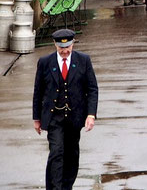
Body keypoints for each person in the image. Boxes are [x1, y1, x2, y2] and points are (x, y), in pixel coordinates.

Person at [33, 29, 98, 190]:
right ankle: (55, 187)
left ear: (73, 44)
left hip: (74, 117)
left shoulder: (83, 60)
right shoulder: (45, 62)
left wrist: (91, 115)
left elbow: (92, 89)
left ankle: (66, 186)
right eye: (61, 48)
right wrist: (36, 118)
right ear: (55, 45)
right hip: (54, 117)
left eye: (68, 47)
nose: (65, 51)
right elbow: (38, 91)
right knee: (56, 152)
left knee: (71, 155)